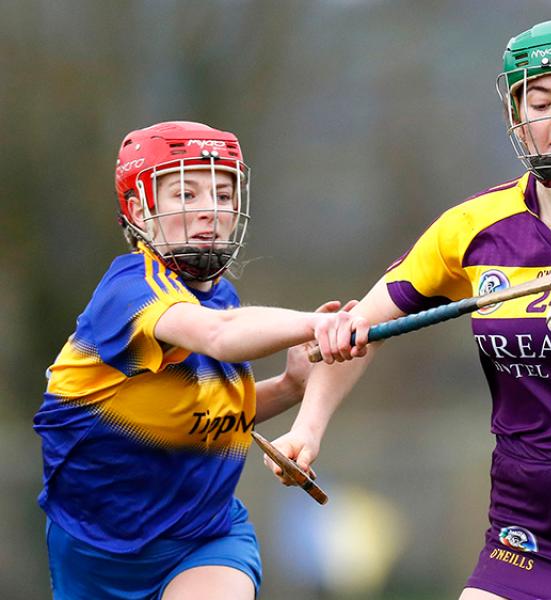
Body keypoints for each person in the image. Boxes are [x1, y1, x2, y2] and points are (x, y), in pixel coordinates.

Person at [268, 19, 551, 600]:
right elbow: (363, 328)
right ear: (517, 121)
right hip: (526, 522)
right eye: (540, 102)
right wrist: (307, 430)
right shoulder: (473, 228)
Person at [33, 120, 369, 600]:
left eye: (224, 193)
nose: (211, 210)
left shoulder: (221, 297)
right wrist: (315, 325)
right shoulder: (131, 292)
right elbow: (219, 336)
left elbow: (206, 416)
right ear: (138, 210)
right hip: (94, 551)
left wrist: (291, 386)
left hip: (208, 538)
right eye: (185, 195)